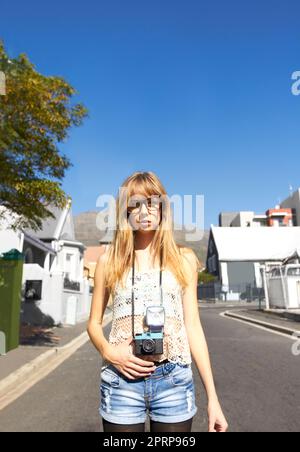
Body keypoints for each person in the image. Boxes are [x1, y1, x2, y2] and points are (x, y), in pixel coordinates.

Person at [87, 171, 228, 433]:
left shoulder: (183, 260)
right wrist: (109, 353)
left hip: (173, 381)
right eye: (135, 204)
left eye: (152, 202)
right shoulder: (109, 261)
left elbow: (193, 327)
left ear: (163, 208)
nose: (144, 211)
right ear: (125, 212)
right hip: (121, 381)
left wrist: (213, 398)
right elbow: (93, 323)